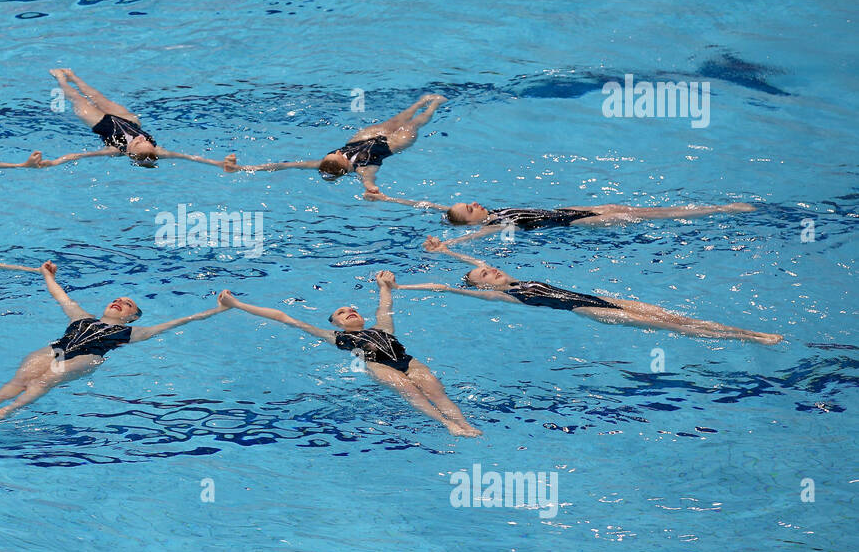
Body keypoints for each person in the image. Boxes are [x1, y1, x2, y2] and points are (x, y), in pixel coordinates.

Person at [218, 273, 482, 437]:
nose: (349, 311)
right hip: (378, 366)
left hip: (407, 361)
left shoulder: (382, 326)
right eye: (342, 312)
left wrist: (384, 284)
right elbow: (283, 317)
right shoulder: (334, 336)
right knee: (409, 390)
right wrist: (237, 304)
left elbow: (385, 303)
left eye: (352, 308)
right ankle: (447, 425)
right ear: (336, 323)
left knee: (435, 389)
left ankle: (464, 424)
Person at [400, 236, 783, 344]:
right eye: (487, 275)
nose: (492, 271)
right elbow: (443, 287)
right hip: (583, 309)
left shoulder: (518, 279)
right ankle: (752, 339)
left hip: (599, 296)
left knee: (671, 316)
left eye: (491, 268)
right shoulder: (503, 295)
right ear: (485, 288)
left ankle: (744, 331)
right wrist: (399, 284)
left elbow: (472, 266)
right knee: (674, 328)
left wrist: (448, 250)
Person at [0, 261, 227, 418]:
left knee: (47, 378)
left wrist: (218, 310)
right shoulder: (81, 316)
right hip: (58, 348)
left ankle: (6, 411)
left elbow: (178, 322)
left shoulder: (132, 332)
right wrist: (48, 275)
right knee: (24, 376)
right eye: (117, 299)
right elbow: (61, 297)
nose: (119, 302)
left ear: (132, 318)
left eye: (127, 304)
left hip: (88, 358)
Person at [223, 93, 445, 192]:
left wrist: (244, 168)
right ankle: (433, 106)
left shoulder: (325, 162)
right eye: (338, 154)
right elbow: (369, 182)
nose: (339, 150)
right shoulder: (362, 168)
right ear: (344, 165)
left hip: (366, 137)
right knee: (412, 126)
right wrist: (372, 189)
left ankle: (420, 102)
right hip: (392, 143)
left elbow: (285, 165)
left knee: (396, 119)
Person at [364, 190, 756, 245]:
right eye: (471, 210)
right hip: (572, 222)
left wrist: (387, 198)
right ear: (470, 221)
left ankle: (717, 208)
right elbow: (471, 238)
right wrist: (445, 245)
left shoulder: (487, 215)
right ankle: (719, 211)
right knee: (646, 215)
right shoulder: (492, 225)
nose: (477, 205)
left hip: (566, 210)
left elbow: (431, 207)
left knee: (637, 210)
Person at [39, 69, 232, 169]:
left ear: (129, 152)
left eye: (138, 143)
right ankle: (73, 75)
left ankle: (61, 79)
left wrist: (54, 162)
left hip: (99, 122)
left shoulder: (115, 150)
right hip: (128, 120)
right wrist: (218, 163)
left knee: (77, 98)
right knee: (98, 97)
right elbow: (191, 158)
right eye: (145, 140)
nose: (142, 139)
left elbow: (79, 156)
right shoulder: (158, 151)